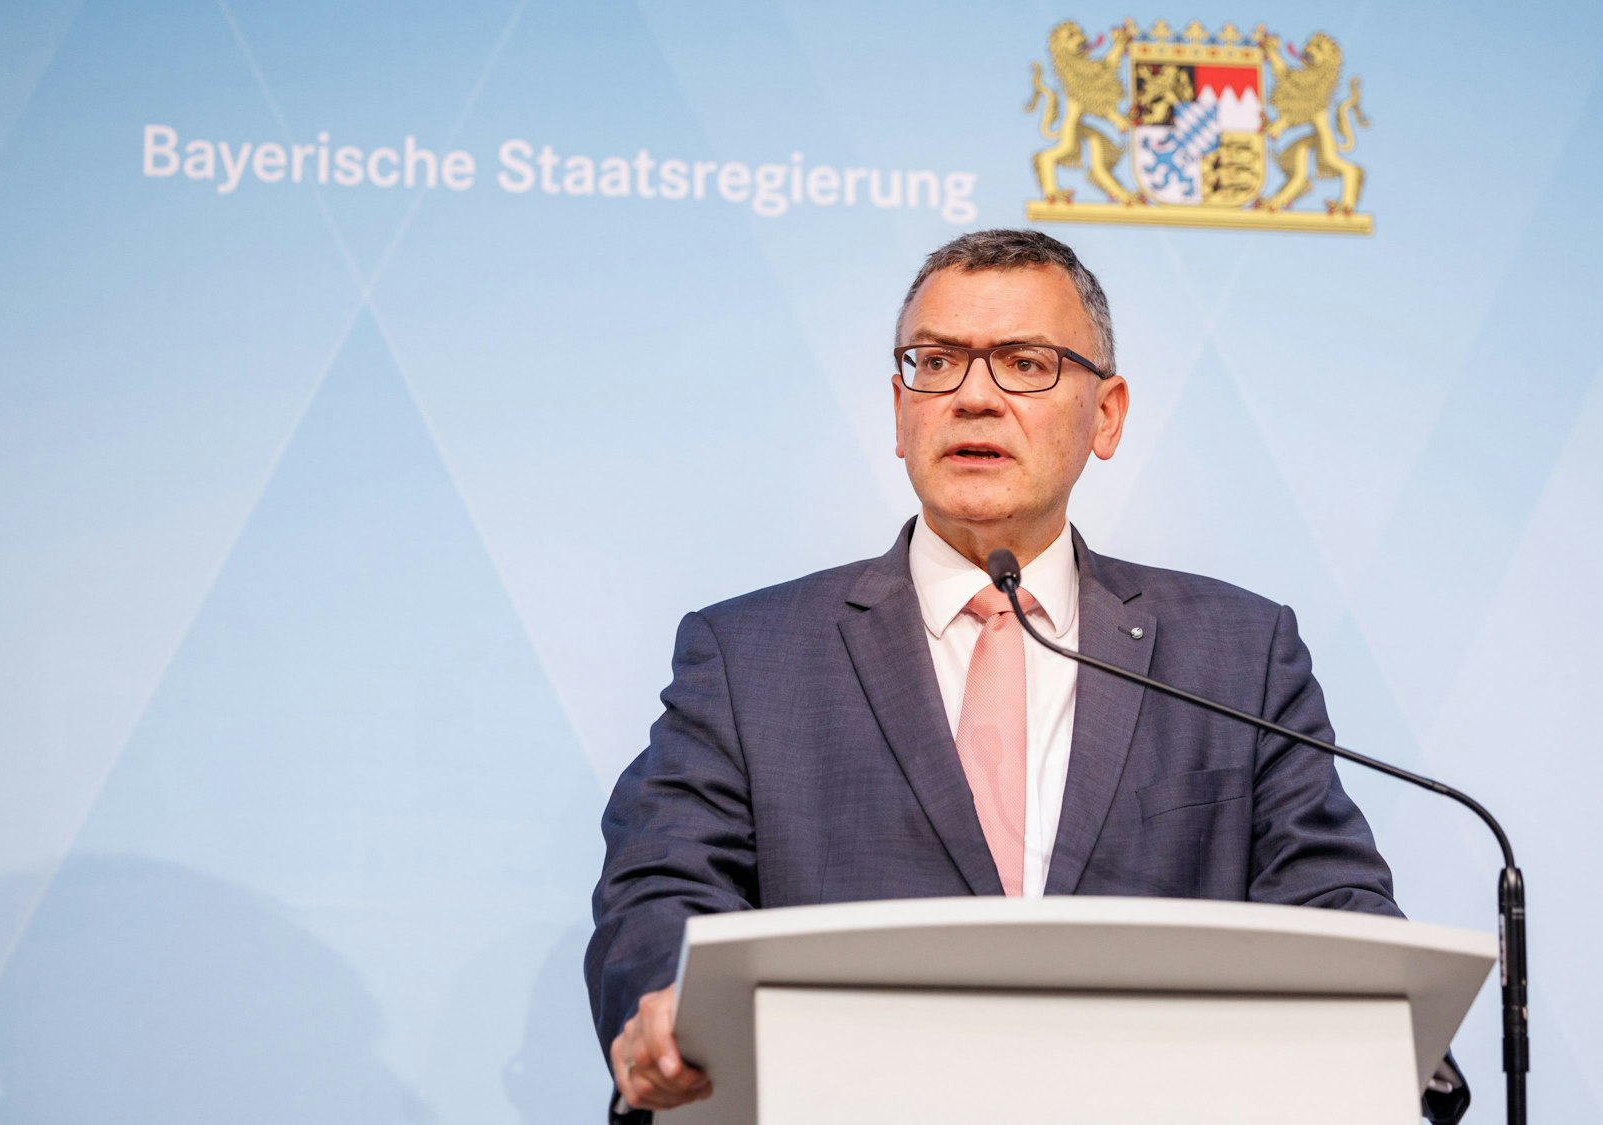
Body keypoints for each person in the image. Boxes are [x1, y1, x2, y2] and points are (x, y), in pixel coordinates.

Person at [586, 229, 1468, 1122]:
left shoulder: (1238, 653)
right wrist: (664, 1003)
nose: (974, 396)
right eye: (937, 362)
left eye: (1025, 363)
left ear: (1108, 413)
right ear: (900, 409)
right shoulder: (751, 654)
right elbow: (660, 881)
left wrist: (1395, 1036)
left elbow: (1326, 896)